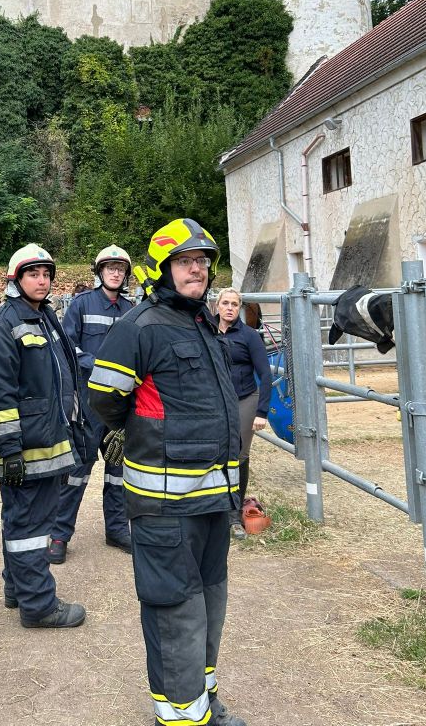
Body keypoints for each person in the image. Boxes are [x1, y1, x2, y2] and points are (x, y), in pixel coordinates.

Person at [89, 218, 246, 726]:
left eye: (201, 261)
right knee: (175, 609)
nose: (196, 269)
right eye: (184, 261)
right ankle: (181, 715)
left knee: (209, 604)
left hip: (211, 499)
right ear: (161, 269)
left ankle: (202, 698)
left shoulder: (203, 323)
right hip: (164, 505)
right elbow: (105, 398)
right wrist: (141, 431)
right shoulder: (140, 327)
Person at [0, 243, 87, 628]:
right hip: (26, 450)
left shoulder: (44, 318)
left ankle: (17, 587)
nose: (42, 281)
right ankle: (39, 605)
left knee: (22, 522)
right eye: (33, 274)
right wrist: (10, 452)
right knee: (30, 528)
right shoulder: (2, 326)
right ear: (16, 279)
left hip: (48, 443)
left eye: (46, 274)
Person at [48, 245, 134, 563]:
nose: (115, 273)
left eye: (120, 268)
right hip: (88, 406)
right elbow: (67, 346)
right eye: (110, 267)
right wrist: (98, 366)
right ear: (99, 272)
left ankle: (117, 529)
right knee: (77, 472)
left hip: (120, 408)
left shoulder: (131, 309)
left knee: (117, 471)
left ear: (126, 275)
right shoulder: (81, 304)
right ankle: (59, 534)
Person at [215, 288, 273, 540]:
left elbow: (266, 374)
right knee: (214, 452)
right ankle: (215, 509)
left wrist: (262, 412)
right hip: (216, 402)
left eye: (235, 304)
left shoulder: (249, 336)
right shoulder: (206, 331)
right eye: (225, 303)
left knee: (238, 454)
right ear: (217, 306)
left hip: (244, 399)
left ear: (239, 308)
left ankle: (234, 515)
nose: (230, 308)